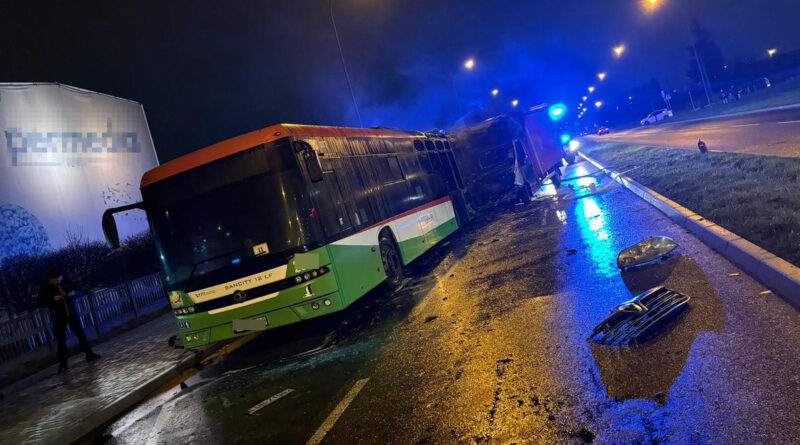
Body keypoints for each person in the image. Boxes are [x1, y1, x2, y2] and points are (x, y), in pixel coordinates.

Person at [38, 268, 101, 372]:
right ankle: (63, 364)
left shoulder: (67, 282)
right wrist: (52, 299)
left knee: (81, 334)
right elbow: (40, 302)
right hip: (58, 317)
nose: (58, 280)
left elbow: (80, 291)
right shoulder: (46, 288)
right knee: (61, 340)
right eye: (55, 279)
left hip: (72, 313)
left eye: (59, 278)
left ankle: (89, 354)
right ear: (51, 280)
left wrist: (74, 293)